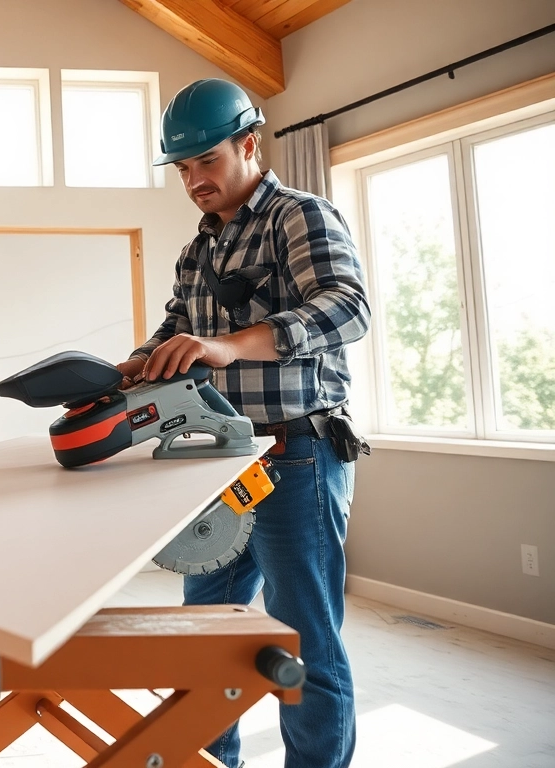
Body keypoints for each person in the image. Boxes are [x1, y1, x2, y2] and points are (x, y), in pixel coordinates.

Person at [119, 79, 370, 768]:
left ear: (249, 145)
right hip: (222, 462)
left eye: (207, 160)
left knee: (303, 645)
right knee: (207, 637)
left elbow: (349, 308)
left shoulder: (300, 216)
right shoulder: (197, 251)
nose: (194, 179)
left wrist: (233, 343)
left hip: (300, 457)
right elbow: (178, 330)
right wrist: (129, 367)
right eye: (183, 168)